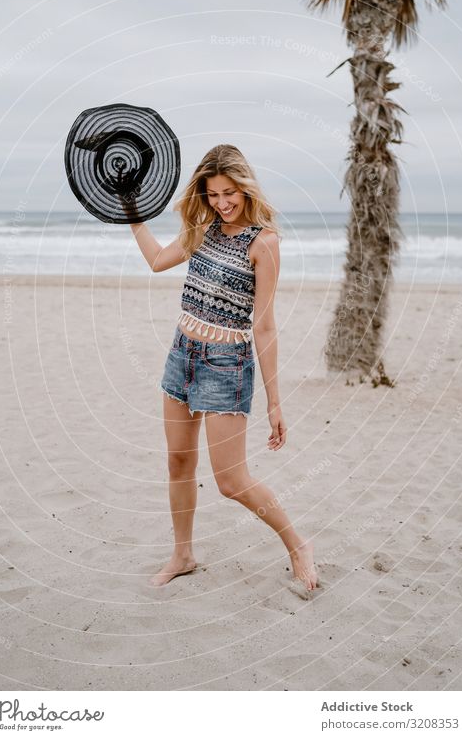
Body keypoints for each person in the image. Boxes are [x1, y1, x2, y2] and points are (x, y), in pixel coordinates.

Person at [130, 144, 318, 592]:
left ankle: (298, 545)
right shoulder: (204, 228)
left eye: (229, 192)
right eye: (213, 194)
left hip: (225, 365)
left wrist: (274, 401)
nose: (222, 203)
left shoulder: (264, 242)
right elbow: (157, 261)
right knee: (177, 462)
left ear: (245, 187)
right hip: (182, 356)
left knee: (231, 481)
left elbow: (265, 325)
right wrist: (132, 213)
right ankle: (183, 553)